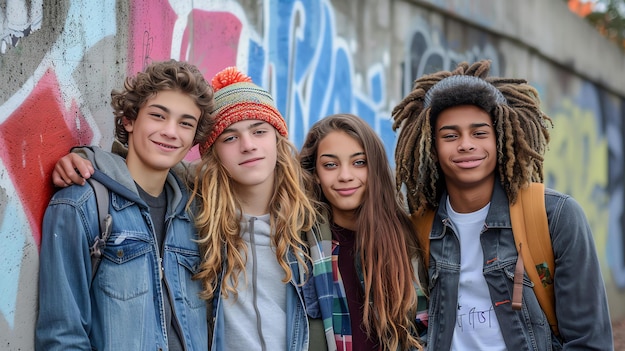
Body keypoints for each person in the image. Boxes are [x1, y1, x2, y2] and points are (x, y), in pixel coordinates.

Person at [391, 59, 613, 350]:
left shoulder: (555, 216)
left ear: (502, 137)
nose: (466, 144)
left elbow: (589, 342)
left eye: (480, 133)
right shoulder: (421, 226)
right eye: (450, 135)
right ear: (431, 145)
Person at [36, 59, 214, 351]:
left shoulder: (195, 214)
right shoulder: (81, 205)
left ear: (194, 137)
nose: (171, 131)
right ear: (130, 119)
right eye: (158, 116)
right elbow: (62, 336)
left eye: (186, 123)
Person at [190, 66, 327, 350]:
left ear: (277, 139)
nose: (248, 145)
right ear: (212, 152)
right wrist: (82, 157)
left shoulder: (313, 221)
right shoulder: (194, 214)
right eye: (230, 137)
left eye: (259, 131)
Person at [299, 113, 428, 351]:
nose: (345, 176)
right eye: (330, 165)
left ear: (375, 168)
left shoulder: (405, 238)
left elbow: (424, 326)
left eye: (359, 162)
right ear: (315, 174)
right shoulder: (302, 246)